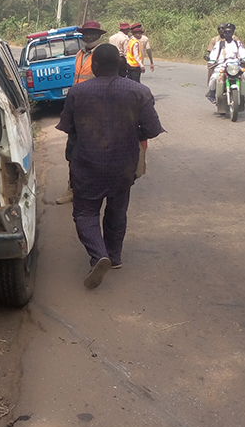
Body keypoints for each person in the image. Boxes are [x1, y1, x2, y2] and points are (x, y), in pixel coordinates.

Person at [56, 44, 165, 289]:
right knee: (117, 209)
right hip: (123, 165)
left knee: (85, 212)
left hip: (86, 164)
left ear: (93, 66)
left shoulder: (77, 92)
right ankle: (114, 257)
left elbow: (68, 128)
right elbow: (151, 129)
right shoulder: (140, 91)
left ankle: (98, 254)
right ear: (119, 64)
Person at [56, 20, 107, 204]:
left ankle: (94, 189)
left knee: (93, 152)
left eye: (92, 33)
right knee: (73, 152)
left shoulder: (103, 55)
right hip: (78, 109)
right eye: (85, 33)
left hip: (95, 111)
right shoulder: (80, 53)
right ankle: (72, 189)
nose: (88, 36)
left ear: (99, 35)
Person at [206, 23, 245, 103]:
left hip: (235, 65)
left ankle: (242, 95)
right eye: (226, 32)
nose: (227, 33)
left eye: (229, 32)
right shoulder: (219, 44)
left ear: (233, 33)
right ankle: (211, 93)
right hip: (221, 65)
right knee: (214, 78)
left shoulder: (237, 43)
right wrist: (211, 62)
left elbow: (243, 52)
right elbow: (213, 54)